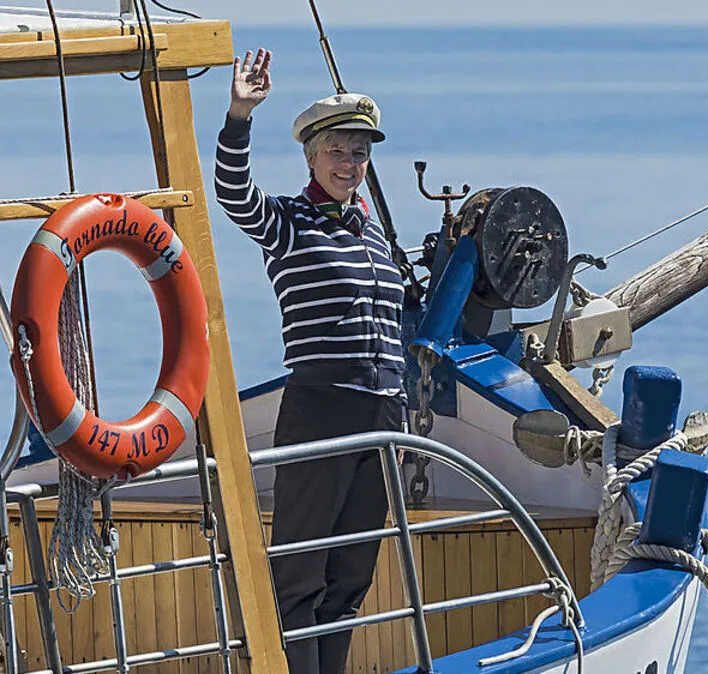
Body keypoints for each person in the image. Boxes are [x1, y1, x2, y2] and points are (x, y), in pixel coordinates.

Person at [214, 48, 407, 674]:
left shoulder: (373, 230)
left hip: (383, 420)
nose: (349, 164)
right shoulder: (291, 221)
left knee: (351, 577)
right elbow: (233, 195)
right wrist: (241, 113)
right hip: (321, 410)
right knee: (301, 576)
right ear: (310, 157)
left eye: (359, 152)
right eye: (336, 151)